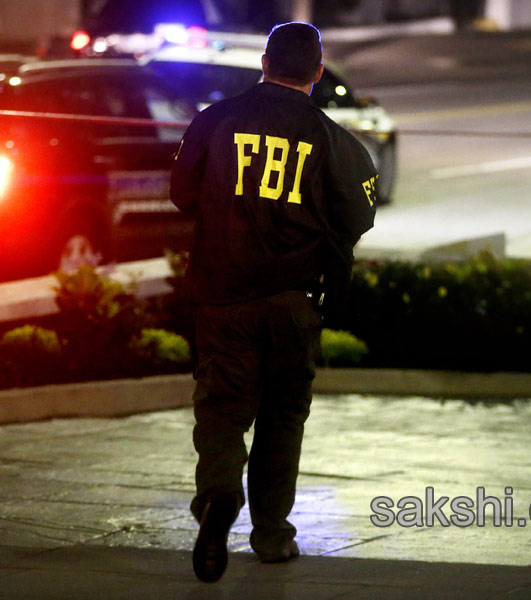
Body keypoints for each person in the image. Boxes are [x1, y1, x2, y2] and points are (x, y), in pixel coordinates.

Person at [170, 22, 378, 583]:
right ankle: (272, 535)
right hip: (293, 300)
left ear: (263, 64)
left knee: (221, 412)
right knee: (283, 418)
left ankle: (217, 498)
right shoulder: (332, 137)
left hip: (221, 296)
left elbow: (181, 192)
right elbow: (358, 214)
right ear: (315, 73)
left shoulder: (214, 121)